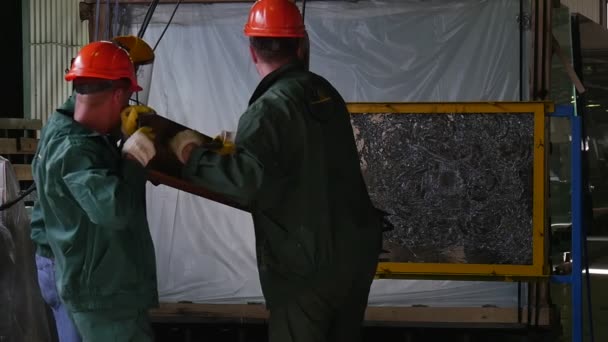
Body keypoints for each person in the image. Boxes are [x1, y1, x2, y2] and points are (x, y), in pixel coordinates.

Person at [169, 0, 384, 341]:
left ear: (252, 51)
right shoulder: (325, 94)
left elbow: (246, 184)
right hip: (353, 256)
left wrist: (192, 154)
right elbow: (306, 156)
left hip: (306, 267)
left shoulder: (269, 108)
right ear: (300, 45)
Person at [31, 40, 159, 342]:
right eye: (127, 99)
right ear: (117, 94)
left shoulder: (66, 122)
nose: (128, 107)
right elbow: (113, 210)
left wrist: (117, 136)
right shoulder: (75, 147)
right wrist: (132, 160)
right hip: (96, 286)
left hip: (72, 268)